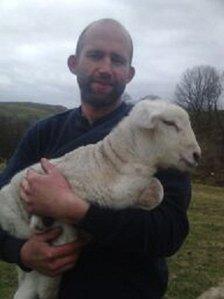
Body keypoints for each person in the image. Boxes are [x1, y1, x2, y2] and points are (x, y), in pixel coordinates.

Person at [0, 19, 191, 298]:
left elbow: (170, 232)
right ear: (73, 63)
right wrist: (21, 252)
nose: (105, 68)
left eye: (117, 60)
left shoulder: (156, 132)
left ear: (130, 73)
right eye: (95, 55)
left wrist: (76, 210)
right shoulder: (43, 133)